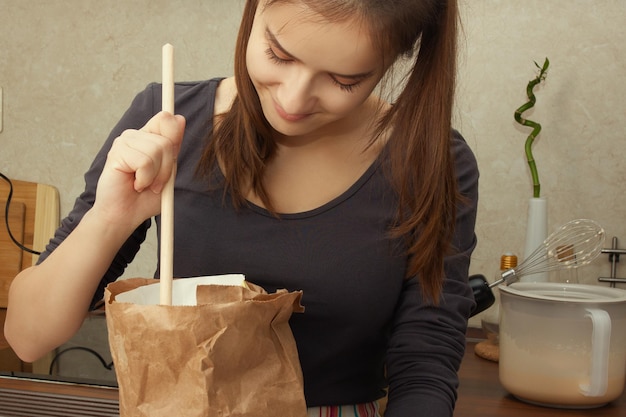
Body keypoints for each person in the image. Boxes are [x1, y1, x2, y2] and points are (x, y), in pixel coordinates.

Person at [5, 0, 478, 416]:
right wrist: (110, 217)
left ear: (396, 58)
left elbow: (427, 355)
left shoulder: (433, 162)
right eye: (279, 53)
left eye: (343, 79)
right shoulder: (168, 118)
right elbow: (28, 337)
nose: (292, 100)